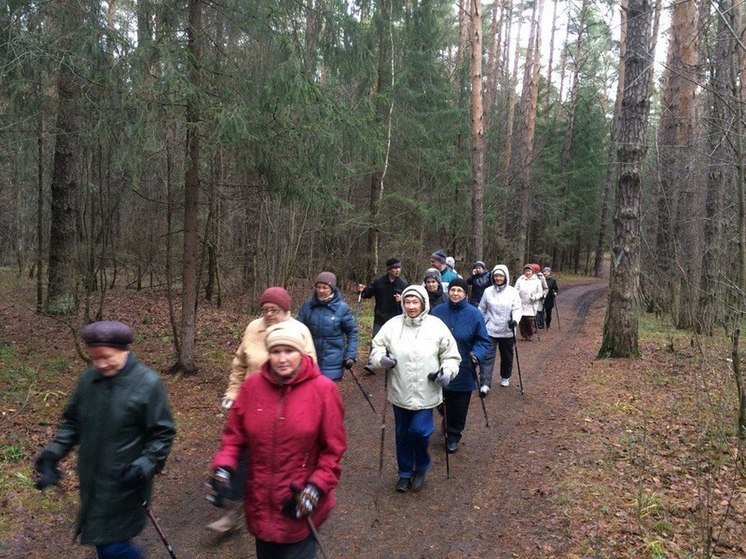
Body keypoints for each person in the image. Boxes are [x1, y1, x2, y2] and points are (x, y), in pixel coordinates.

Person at [33, 320, 176, 559]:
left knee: (111, 546)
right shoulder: (88, 381)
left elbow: (163, 433)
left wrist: (144, 465)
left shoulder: (148, 383)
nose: (100, 364)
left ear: (124, 350)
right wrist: (52, 453)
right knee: (105, 544)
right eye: (94, 358)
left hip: (125, 483)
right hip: (92, 482)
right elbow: (72, 422)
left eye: (107, 357)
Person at [208, 321, 346, 559]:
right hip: (261, 504)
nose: (282, 358)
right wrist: (222, 470)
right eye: (275, 351)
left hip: (299, 504)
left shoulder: (323, 390)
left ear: (301, 353)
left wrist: (314, 489)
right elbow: (233, 437)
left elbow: (332, 451)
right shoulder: (252, 387)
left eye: (289, 351)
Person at [209, 286, 317, 533]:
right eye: (265, 309)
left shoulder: (299, 331)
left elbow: (311, 369)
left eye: (274, 310)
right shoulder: (252, 328)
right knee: (240, 453)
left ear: (286, 310)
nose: (269, 314)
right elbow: (239, 363)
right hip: (251, 402)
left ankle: (278, 507)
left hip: (286, 406)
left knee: (276, 459)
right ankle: (233, 511)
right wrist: (233, 392)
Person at [368, 285, 460, 493]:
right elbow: (377, 348)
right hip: (399, 391)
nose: (410, 306)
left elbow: (451, 356)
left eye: (415, 302)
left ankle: (421, 466)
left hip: (427, 392)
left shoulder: (436, 326)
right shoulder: (392, 325)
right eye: (407, 302)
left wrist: (446, 372)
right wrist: (381, 360)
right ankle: (405, 472)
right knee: (402, 434)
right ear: (402, 303)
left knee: (418, 431)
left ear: (423, 303)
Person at [430, 278, 491, 453]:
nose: (455, 293)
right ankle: (447, 419)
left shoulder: (474, 314)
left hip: (464, 366)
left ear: (465, 293)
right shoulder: (437, 311)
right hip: (439, 364)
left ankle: (453, 435)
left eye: (459, 291)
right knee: (439, 400)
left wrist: (476, 354)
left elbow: (483, 341)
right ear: (448, 292)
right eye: (453, 290)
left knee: (459, 405)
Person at [297, 271, 358, 381]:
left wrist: (350, 355)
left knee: (326, 394)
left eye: (325, 287)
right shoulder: (307, 307)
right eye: (318, 287)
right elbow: (297, 331)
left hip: (333, 360)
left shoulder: (341, 308)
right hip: (310, 358)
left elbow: (352, 332)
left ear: (332, 288)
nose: (321, 290)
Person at [478, 265, 522, 391]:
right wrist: (481, 322)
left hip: (507, 329)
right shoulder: (487, 291)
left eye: (501, 276)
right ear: (493, 277)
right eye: (496, 276)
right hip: (490, 329)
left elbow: (517, 309)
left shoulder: (513, 292)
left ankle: (505, 376)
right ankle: (485, 383)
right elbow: (481, 309)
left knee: (507, 356)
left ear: (506, 277)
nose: (498, 278)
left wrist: (515, 320)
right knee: (487, 356)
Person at [356, 257, 409, 338]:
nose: (397, 270)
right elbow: (367, 294)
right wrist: (361, 290)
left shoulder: (403, 284)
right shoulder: (379, 282)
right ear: (389, 269)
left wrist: (402, 299)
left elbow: (410, 301)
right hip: (380, 319)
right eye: (394, 268)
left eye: (399, 267)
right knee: (376, 341)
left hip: (396, 320)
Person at [514, 263, 544, 341]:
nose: (527, 273)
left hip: (532, 303)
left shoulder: (537, 281)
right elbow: (516, 289)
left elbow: (540, 292)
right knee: (522, 320)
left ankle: (530, 334)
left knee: (530, 320)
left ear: (532, 272)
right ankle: (524, 335)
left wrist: (535, 297)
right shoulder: (520, 280)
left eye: (529, 271)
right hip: (521, 302)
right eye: (526, 271)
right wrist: (517, 296)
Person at [532, 264, 550, 329]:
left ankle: (539, 324)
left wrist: (544, 294)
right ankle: (533, 326)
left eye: (534, 270)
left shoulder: (541, 277)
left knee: (539, 312)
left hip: (539, 297)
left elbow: (546, 288)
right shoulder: (526, 277)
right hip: (530, 298)